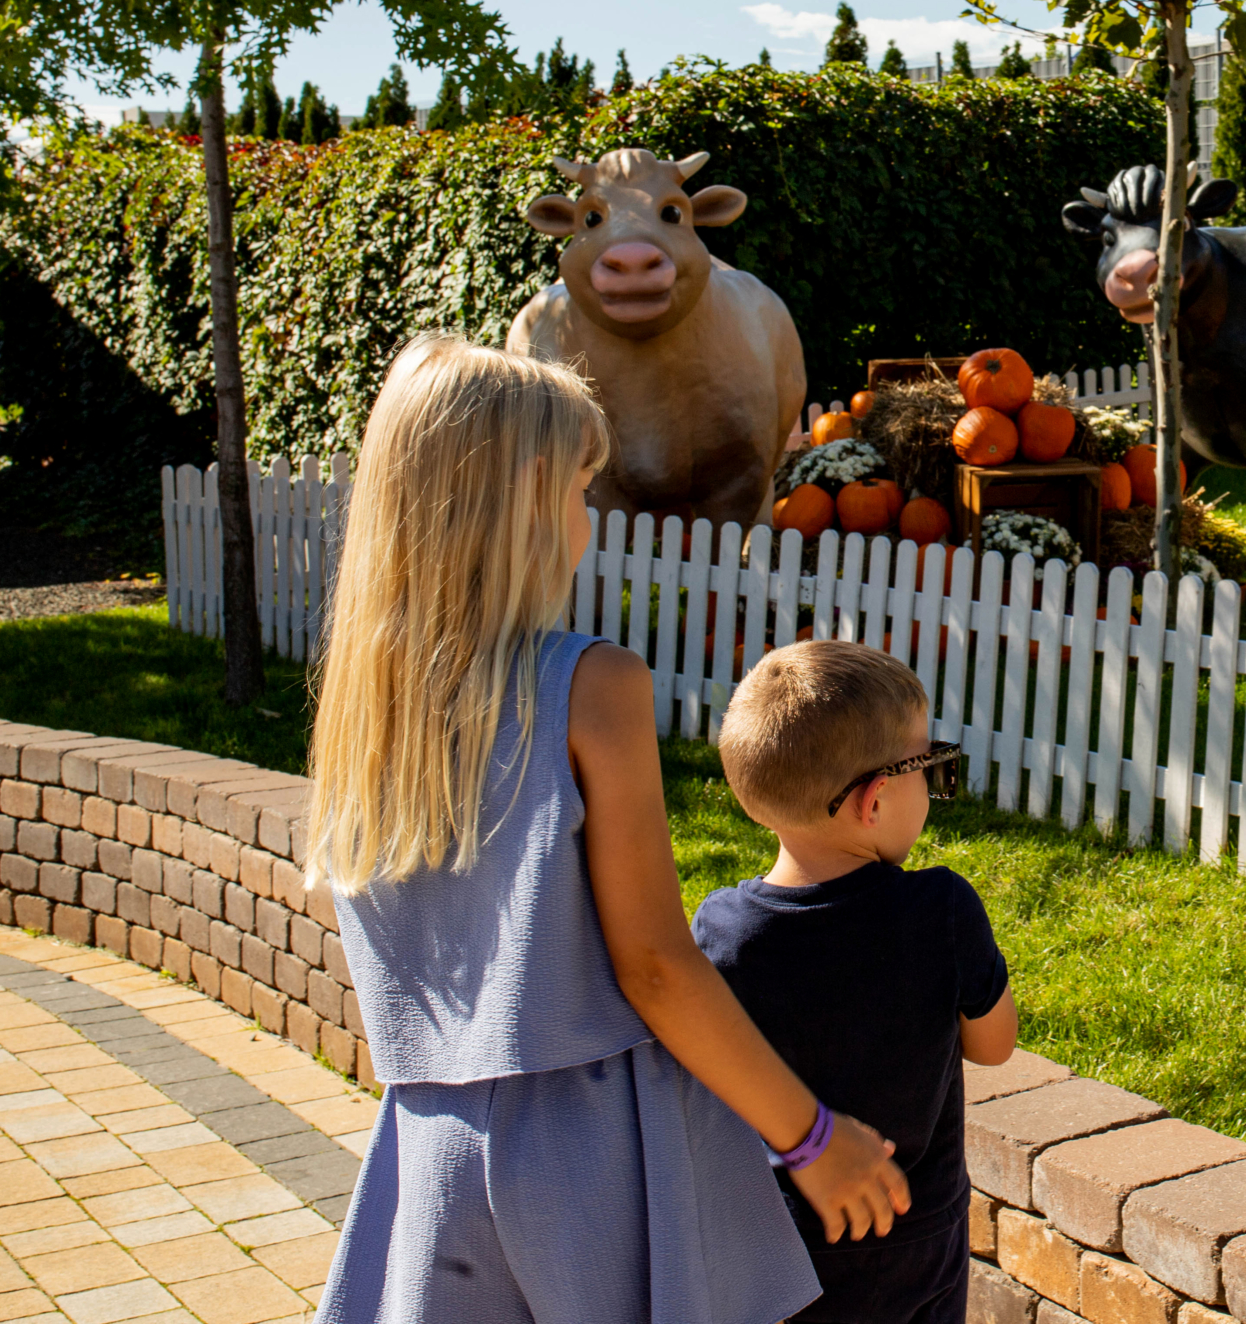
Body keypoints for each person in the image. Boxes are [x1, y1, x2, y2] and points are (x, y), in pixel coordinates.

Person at [303, 335, 910, 1324]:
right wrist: (809, 1138)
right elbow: (657, 964)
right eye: (580, 491)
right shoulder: (592, 686)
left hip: (429, 1145)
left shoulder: (367, 709)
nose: (587, 519)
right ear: (532, 494)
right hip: (587, 1147)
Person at [697, 641, 1019, 1324]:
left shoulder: (722, 932)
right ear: (875, 801)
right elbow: (994, 1045)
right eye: (929, 768)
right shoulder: (942, 910)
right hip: (916, 1240)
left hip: (774, 1249)